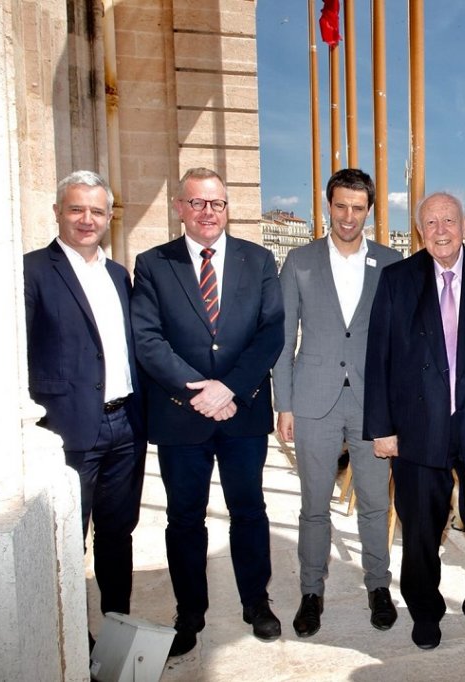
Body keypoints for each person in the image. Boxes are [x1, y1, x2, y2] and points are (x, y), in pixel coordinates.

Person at [132, 167, 285, 656]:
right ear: (179, 208)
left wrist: (231, 389)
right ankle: (189, 612)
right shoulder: (153, 263)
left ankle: (256, 603)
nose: (207, 212)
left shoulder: (259, 260)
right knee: (184, 519)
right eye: (196, 203)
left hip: (242, 413)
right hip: (182, 414)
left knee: (249, 511)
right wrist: (198, 390)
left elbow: (271, 334)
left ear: (227, 208)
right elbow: (148, 338)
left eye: (216, 203)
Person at [363, 192, 465, 650]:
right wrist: (382, 428)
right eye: (432, 221)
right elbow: (378, 356)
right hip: (417, 426)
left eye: (450, 219)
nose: (442, 229)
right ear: (420, 229)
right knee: (420, 526)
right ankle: (424, 609)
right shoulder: (396, 280)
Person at [273, 168, 402, 637]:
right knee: (313, 505)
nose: (348, 216)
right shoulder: (300, 262)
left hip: (373, 405)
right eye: (340, 206)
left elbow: (399, 345)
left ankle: (378, 587)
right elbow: (284, 340)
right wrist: (283, 404)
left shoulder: (390, 263)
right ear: (327, 205)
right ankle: (312, 592)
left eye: (358, 207)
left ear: (370, 210)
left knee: (373, 503)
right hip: (312, 401)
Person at [24, 170, 147, 634]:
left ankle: (117, 627)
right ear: (58, 212)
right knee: (66, 540)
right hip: (68, 429)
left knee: (118, 536)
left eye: (97, 210)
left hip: (125, 427)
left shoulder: (118, 274)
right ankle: (70, 637)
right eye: (76, 209)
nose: (86, 219)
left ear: (109, 218)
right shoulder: (32, 270)